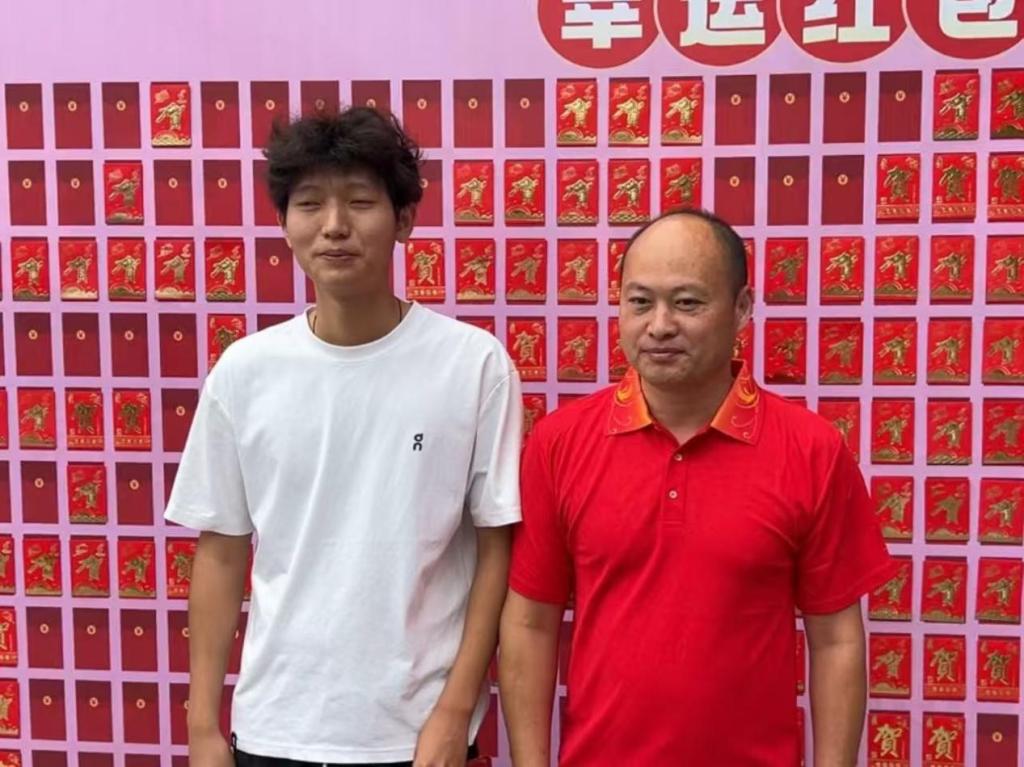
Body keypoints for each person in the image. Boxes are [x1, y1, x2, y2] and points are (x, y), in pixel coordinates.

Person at [167, 107, 522, 767]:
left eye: (360, 202)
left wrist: (455, 710)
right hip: (274, 729)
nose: (334, 225)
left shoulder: (473, 366)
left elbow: (495, 548)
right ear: (285, 223)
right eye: (310, 204)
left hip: (417, 735)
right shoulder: (245, 371)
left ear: (404, 220)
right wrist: (202, 726)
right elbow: (220, 552)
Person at [499, 209, 895, 766]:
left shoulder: (812, 449)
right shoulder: (559, 443)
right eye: (640, 302)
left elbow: (836, 640)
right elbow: (529, 624)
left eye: (687, 303)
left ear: (742, 309)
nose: (660, 326)